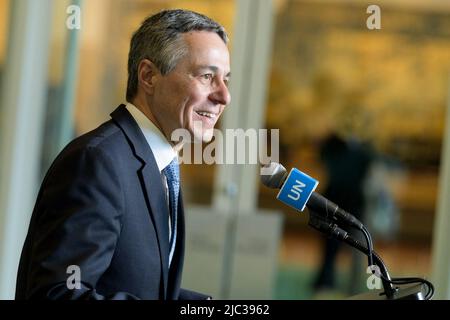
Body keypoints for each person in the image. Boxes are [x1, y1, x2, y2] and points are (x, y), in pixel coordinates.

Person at [15, 9, 231, 300]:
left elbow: (145, 286)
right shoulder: (97, 163)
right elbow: (57, 294)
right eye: (207, 76)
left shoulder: (160, 165)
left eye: (225, 80)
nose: (223, 96)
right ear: (148, 76)